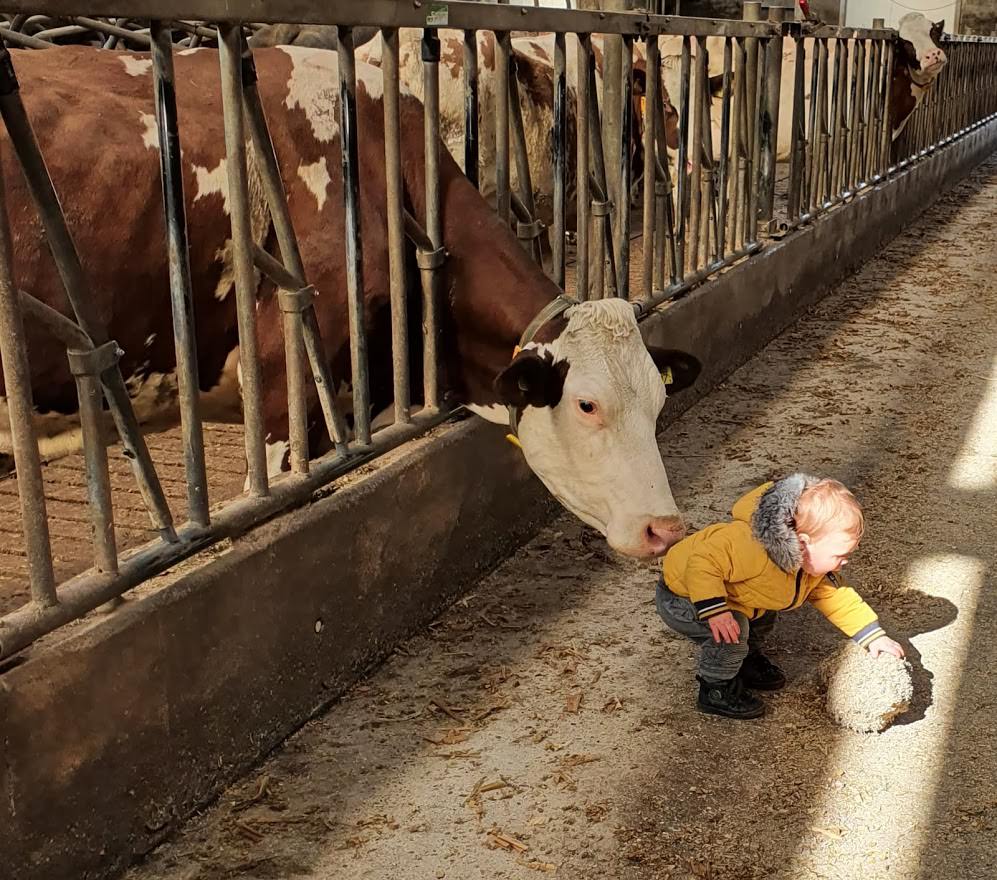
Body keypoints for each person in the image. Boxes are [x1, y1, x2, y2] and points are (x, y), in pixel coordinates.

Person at [656, 473, 905, 719]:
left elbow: (837, 598)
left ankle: (745, 659)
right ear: (805, 543)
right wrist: (715, 611)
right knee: (732, 633)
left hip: (735, 596)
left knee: (764, 616)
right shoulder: (750, 545)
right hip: (685, 597)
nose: (845, 562)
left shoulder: (810, 566)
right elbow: (703, 563)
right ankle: (716, 689)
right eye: (840, 555)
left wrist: (874, 637)